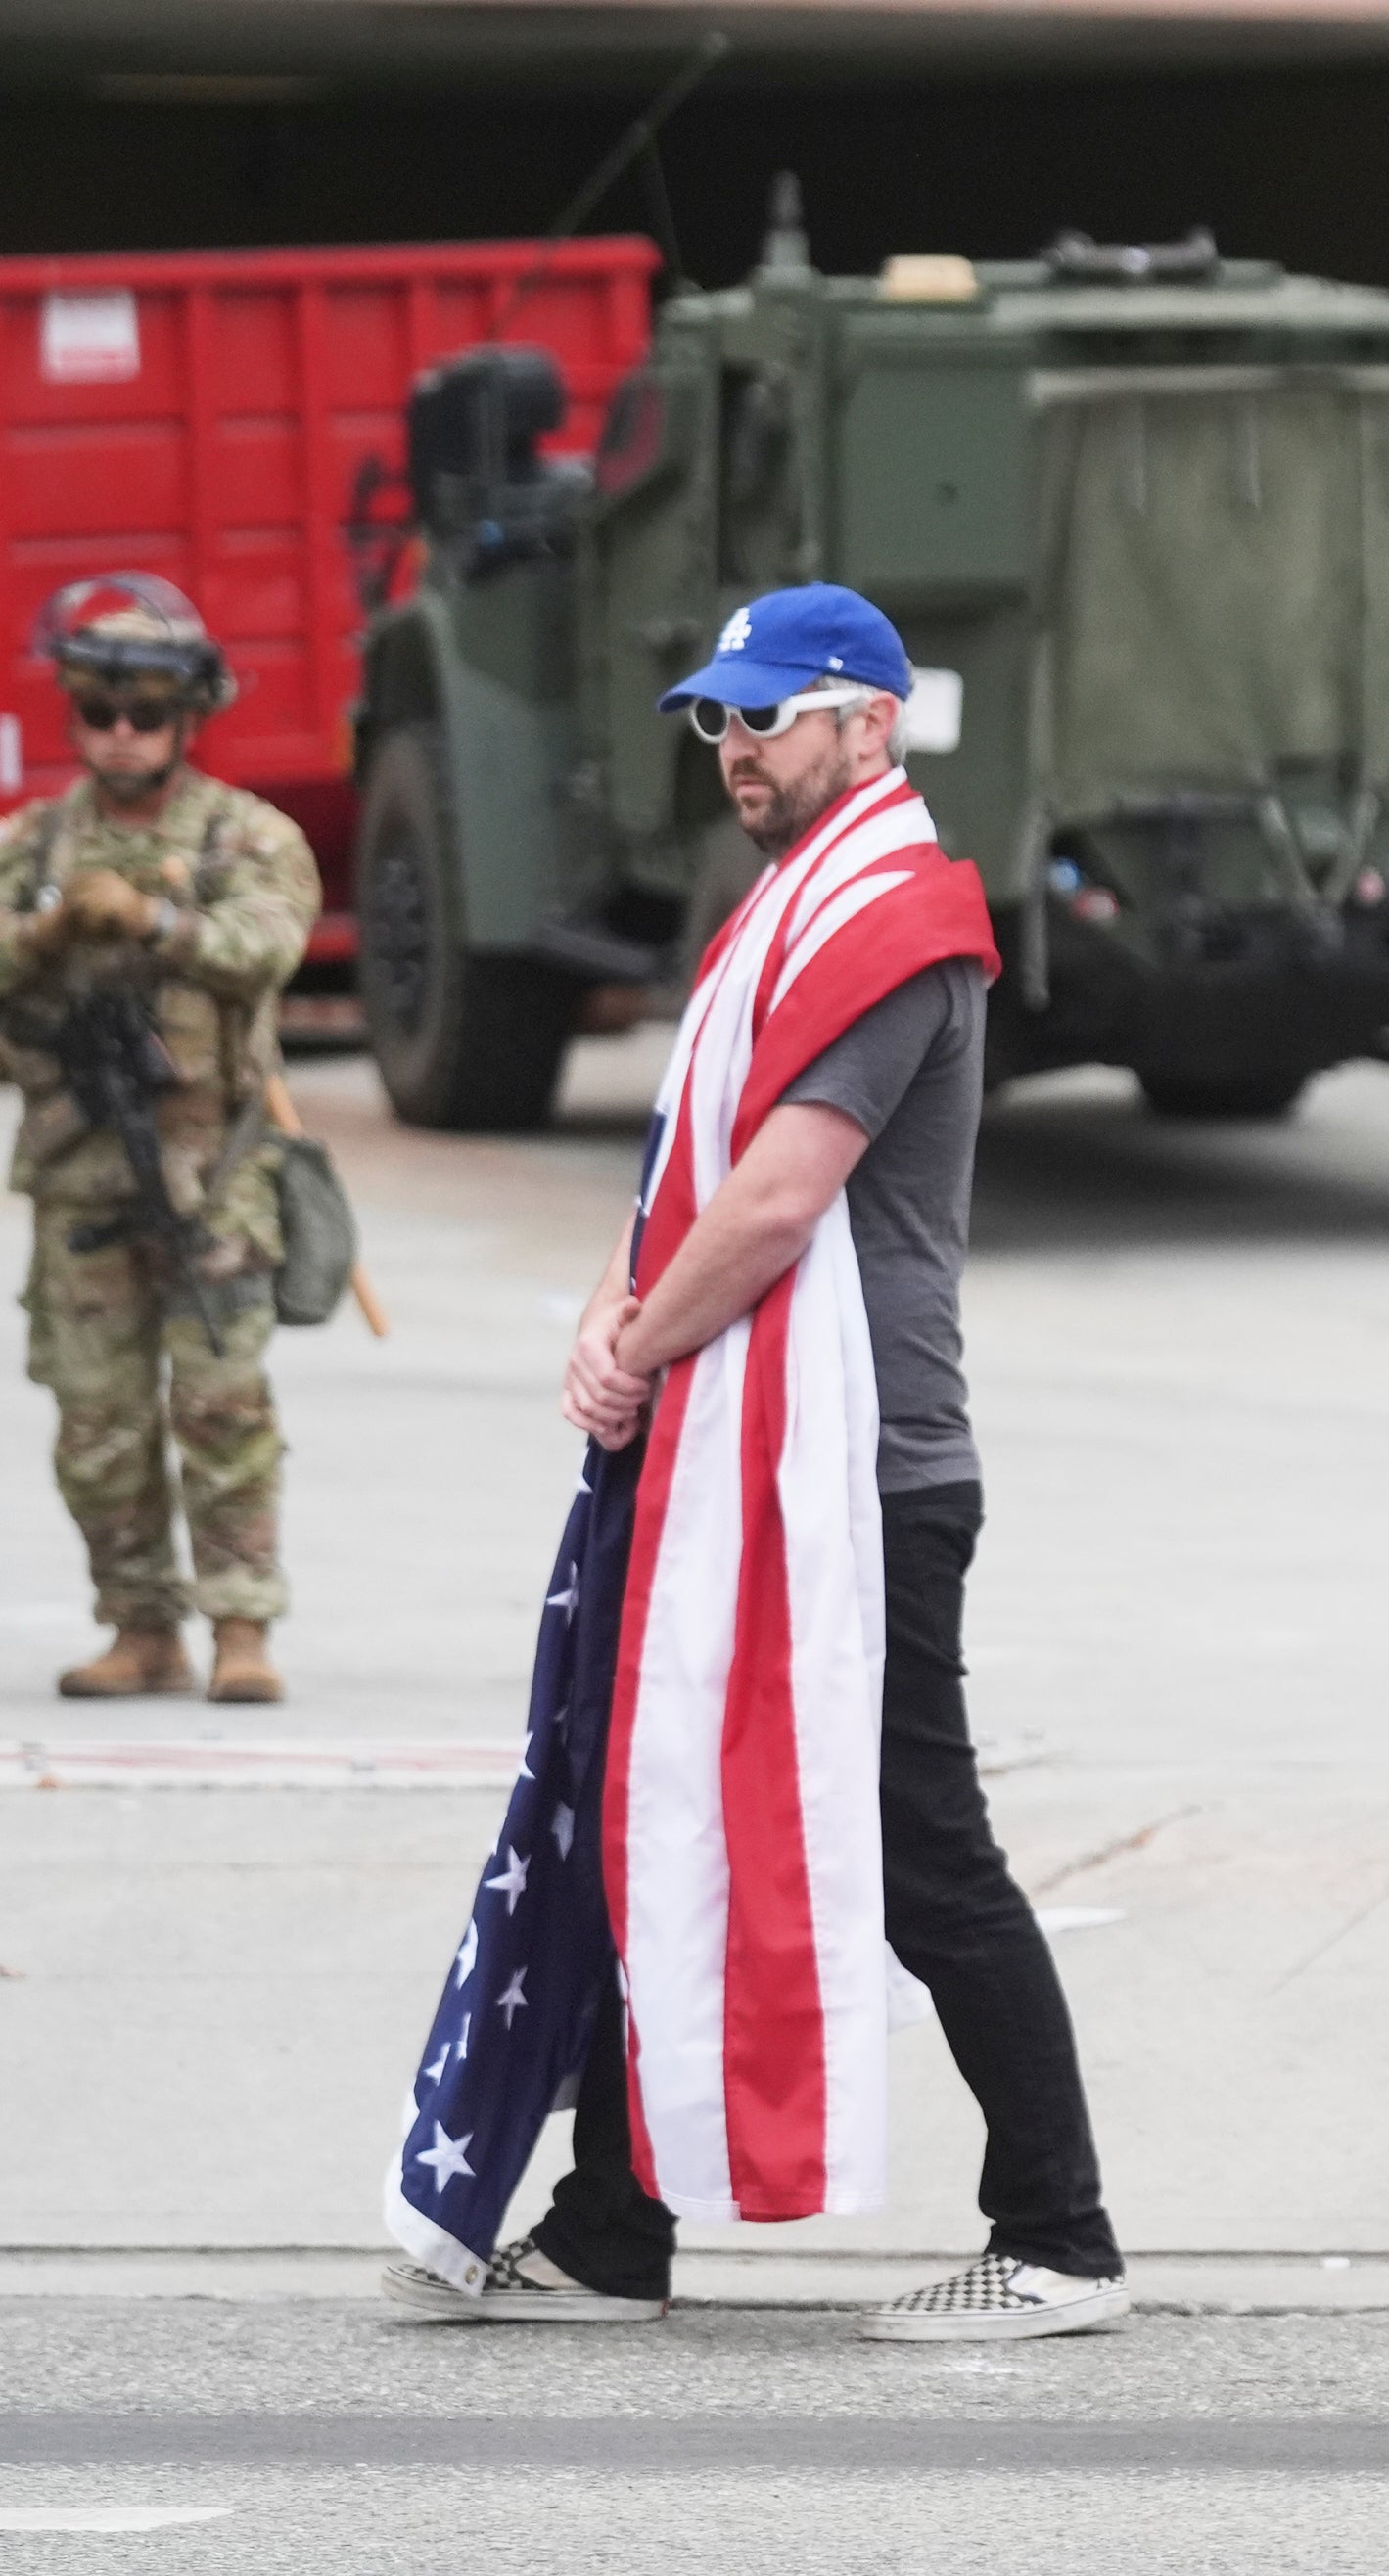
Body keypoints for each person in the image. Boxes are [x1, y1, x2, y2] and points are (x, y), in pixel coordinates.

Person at [380, 584, 1127, 2339]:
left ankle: (1062, 2235)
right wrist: (609, 1306)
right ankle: (609, 2226)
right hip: (755, 1458)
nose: (733, 750)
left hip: (856, 1478)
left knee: (923, 1850)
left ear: (871, 724)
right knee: (664, 1809)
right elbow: (685, 1171)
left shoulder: (891, 923)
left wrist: (630, 1350)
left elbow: (781, 1197)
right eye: (715, 720)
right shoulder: (784, 913)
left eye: (768, 717)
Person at [0, 575, 318, 1704]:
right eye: (99, 712)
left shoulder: (246, 837)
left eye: (145, 713)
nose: (121, 735)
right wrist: (46, 932)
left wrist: (160, 923)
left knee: (223, 1409)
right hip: (81, 1185)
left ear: (188, 717)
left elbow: (269, 943)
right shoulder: (33, 846)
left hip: (212, 1181)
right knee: (99, 1424)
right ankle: (140, 1624)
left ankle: (241, 1627)